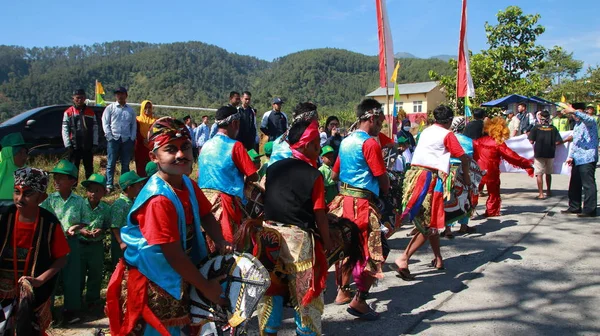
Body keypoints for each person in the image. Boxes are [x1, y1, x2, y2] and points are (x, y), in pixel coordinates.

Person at [105, 117, 232, 335]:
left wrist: (220, 240)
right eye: (170, 150)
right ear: (154, 156)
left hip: (180, 270)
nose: (181, 155)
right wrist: (206, 287)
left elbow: (206, 215)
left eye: (185, 148)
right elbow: (172, 254)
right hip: (157, 279)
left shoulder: (188, 184)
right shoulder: (159, 200)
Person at [258, 119, 333, 336]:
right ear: (307, 144)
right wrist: (327, 242)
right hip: (296, 241)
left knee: (272, 290)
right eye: (317, 142)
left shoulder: (273, 168)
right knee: (306, 294)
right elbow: (319, 214)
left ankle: (268, 330)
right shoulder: (314, 175)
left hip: (268, 236)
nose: (319, 146)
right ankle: (306, 331)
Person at [329, 98, 390, 320]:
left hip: (341, 202)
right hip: (362, 205)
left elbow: (335, 174)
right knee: (374, 249)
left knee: (345, 248)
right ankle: (360, 301)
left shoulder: (345, 141)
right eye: (381, 120)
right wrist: (387, 189)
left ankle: (342, 291)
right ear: (372, 118)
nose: (381, 124)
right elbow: (381, 179)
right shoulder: (370, 143)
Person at [394, 105, 471, 278]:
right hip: (430, 179)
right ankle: (404, 258)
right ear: (450, 121)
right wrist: (467, 177)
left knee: (431, 222)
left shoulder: (426, 131)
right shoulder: (447, 135)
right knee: (429, 224)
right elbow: (462, 157)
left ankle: (438, 259)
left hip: (415, 176)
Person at [0, 167, 69, 334]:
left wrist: (39, 280)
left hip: (32, 291)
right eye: (17, 192)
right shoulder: (4, 216)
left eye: (28, 194)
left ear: (42, 197)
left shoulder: (50, 223)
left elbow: (62, 258)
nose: (20, 198)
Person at [198, 106, 259, 245]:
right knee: (232, 247)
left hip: (203, 203)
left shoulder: (206, 145)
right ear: (234, 123)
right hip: (224, 204)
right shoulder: (236, 146)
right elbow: (253, 176)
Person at [40, 159, 89, 324]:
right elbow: (42, 218)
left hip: (72, 243)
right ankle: (48, 311)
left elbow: (85, 221)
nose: (56, 181)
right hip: (52, 244)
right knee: (52, 276)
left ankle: (71, 311)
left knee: (72, 277)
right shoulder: (49, 200)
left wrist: (77, 227)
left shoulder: (79, 201)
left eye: (61, 178)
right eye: (56, 177)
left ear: (72, 181)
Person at [473, 117, 534, 217]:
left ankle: (468, 211)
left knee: (473, 191)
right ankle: (491, 211)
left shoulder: (478, 141)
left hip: (477, 170)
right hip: (491, 171)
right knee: (493, 193)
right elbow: (511, 156)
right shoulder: (498, 143)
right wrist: (526, 163)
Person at [560, 104, 598, 217]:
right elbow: (576, 143)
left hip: (588, 157)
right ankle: (574, 207)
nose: (573, 116)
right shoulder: (577, 125)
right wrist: (571, 156)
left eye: (575, 113)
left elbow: (587, 118)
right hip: (577, 157)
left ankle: (590, 210)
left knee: (588, 184)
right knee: (574, 184)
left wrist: (573, 110)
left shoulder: (590, 121)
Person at [442, 116, 477, 238]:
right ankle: (463, 226)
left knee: (449, 199)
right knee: (466, 198)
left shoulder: (446, 137)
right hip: (463, 171)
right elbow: (469, 159)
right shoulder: (468, 141)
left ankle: (448, 229)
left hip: (446, 172)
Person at [79, 173, 110, 307]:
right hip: (80, 243)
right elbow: (72, 222)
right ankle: (76, 299)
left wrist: (101, 231)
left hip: (96, 245)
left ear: (104, 192)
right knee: (78, 273)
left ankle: (93, 300)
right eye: (91, 190)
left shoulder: (106, 209)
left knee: (95, 272)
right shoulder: (79, 205)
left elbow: (107, 224)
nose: (93, 194)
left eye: (98, 191)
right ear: (86, 191)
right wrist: (81, 230)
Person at [102, 87, 137, 193]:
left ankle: (124, 184)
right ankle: (109, 184)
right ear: (115, 96)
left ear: (126, 95)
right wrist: (109, 136)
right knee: (111, 163)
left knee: (125, 164)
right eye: (118, 94)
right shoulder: (110, 108)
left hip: (126, 140)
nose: (120, 96)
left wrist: (132, 138)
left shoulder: (130, 110)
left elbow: (133, 125)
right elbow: (105, 122)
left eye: (122, 94)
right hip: (114, 139)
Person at [109, 171, 146, 269]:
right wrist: (121, 242)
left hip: (131, 241)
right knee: (121, 268)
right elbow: (114, 226)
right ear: (130, 188)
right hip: (122, 243)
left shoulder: (133, 201)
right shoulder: (120, 204)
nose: (140, 187)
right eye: (138, 185)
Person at [62, 89, 98, 179]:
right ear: (73, 98)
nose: (79, 100)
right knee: (73, 168)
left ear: (85, 98)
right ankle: (72, 188)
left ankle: (90, 187)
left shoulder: (91, 112)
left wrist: (95, 143)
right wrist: (67, 145)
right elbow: (64, 129)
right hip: (74, 145)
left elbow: (95, 129)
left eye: (82, 98)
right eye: (77, 98)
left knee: (89, 168)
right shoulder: (68, 112)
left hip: (88, 145)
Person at [528, 110, 565, 199]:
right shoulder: (553, 128)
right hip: (550, 153)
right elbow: (558, 142)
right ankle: (548, 190)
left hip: (539, 153)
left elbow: (531, 141)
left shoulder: (536, 128)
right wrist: (567, 140)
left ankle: (541, 194)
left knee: (539, 174)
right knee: (548, 173)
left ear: (540, 117)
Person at [0, 133, 29, 204]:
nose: (24, 156)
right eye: (19, 153)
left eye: (25, 152)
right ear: (8, 154)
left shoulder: (31, 175)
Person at [134, 100, 156, 177]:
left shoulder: (155, 120)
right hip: (140, 146)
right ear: (142, 108)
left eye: (149, 107)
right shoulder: (137, 119)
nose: (148, 109)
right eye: (145, 107)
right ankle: (141, 182)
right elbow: (135, 131)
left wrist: (150, 140)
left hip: (151, 146)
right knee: (140, 165)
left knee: (152, 165)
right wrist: (143, 139)